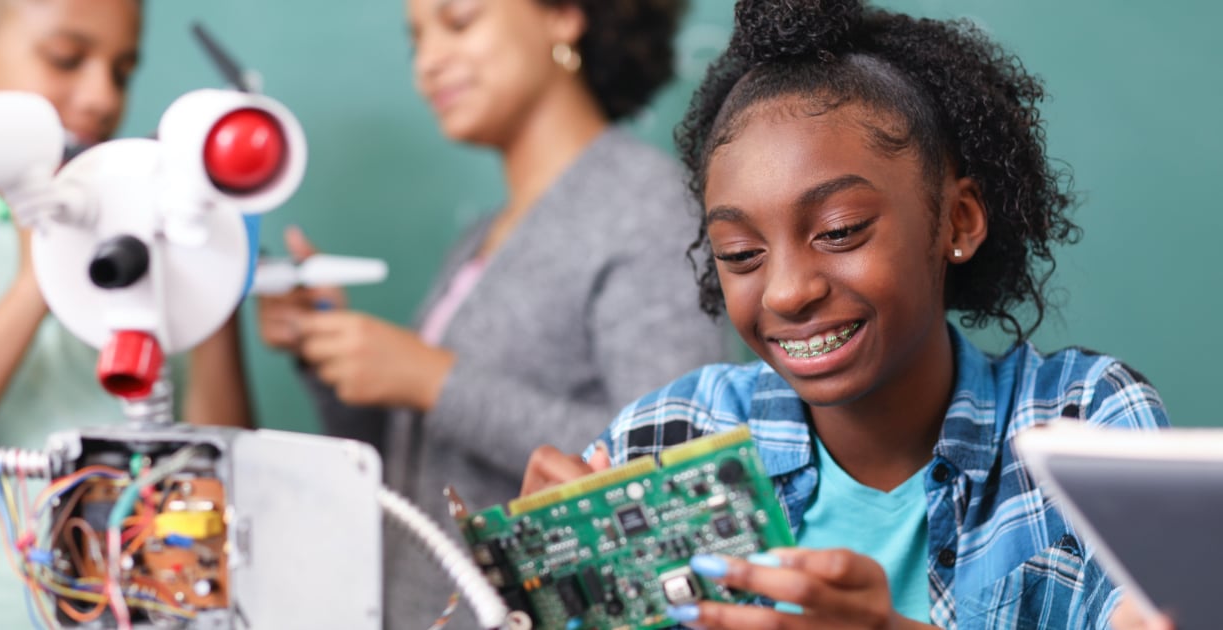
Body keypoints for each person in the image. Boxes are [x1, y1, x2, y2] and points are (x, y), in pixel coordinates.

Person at [521, 0, 1170, 627]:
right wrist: (542, 601)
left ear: (959, 221)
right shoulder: (669, 440)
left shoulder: (1086, 423)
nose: (785, 292)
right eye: (742, 252)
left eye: (839, 231)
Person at [256, 0, 728, 626]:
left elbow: (663, 465)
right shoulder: (482, 237)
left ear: (563, 15)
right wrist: (330, 356)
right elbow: (413, 467)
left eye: (458, 21)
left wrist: (433, 380)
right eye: (415, 41)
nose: (428, 62)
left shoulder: (644, 207)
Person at [0, 0, 252, 625]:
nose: (99, 97)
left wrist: (211, 276)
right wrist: (46, 269)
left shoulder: (139, 240)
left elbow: (228, 479)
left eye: (121, 71)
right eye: (65, 59)